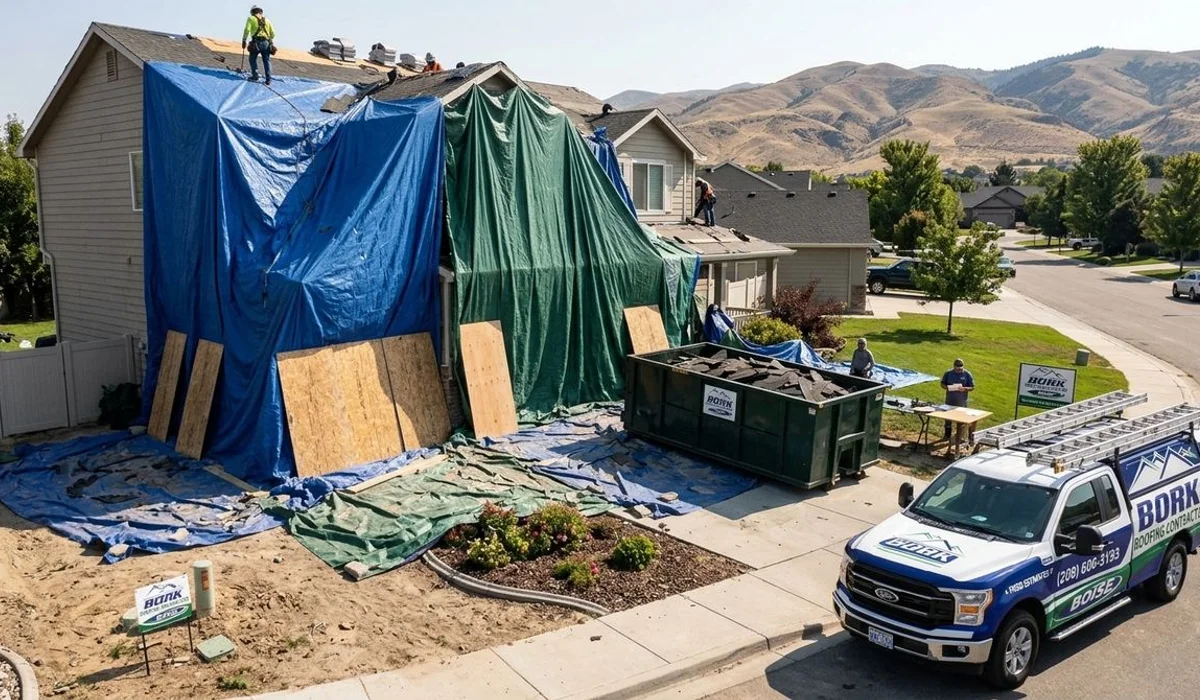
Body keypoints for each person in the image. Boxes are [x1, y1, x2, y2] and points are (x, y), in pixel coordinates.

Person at [941, 358, 975, 441]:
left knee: (961, 420)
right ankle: (947, 435)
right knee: (948, 419)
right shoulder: (948, 373)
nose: (959, 370)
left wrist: (965, 388)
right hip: (950, 400)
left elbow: (972, 387)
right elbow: (942, 384)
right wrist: (948, 388)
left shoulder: (967, 374)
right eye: (957, 369)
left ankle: (960, 437)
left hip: (961, 402)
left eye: (960, 369)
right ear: (954, 367)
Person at [241, 6, 276, 85]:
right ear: (261, 12)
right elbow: (273, 34)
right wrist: (268, 39)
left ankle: (255, 76)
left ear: (253, 12)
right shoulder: (267, 20)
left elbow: (247, 29)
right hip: (266, 43)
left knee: (252, 59)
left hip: (256, 43)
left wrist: (244, 40)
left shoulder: (251, 18)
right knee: (266, 61)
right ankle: (268, 79)